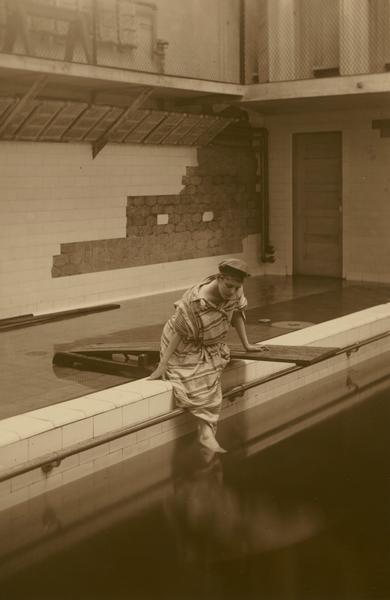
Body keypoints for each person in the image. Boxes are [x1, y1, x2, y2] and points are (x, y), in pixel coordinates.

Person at [148, 258, 268, 452]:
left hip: (210, 342)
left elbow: (237, 314)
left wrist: (247, 345)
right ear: (219, 278)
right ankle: (205, 433)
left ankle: (206, 434)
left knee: (212, 369)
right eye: (229, 286)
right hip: (184, 344)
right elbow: (179, 331)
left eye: (237, 287)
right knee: (196, 376)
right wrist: (163, 364)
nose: (232, 291)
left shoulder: (235, 291)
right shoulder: (195, 300)